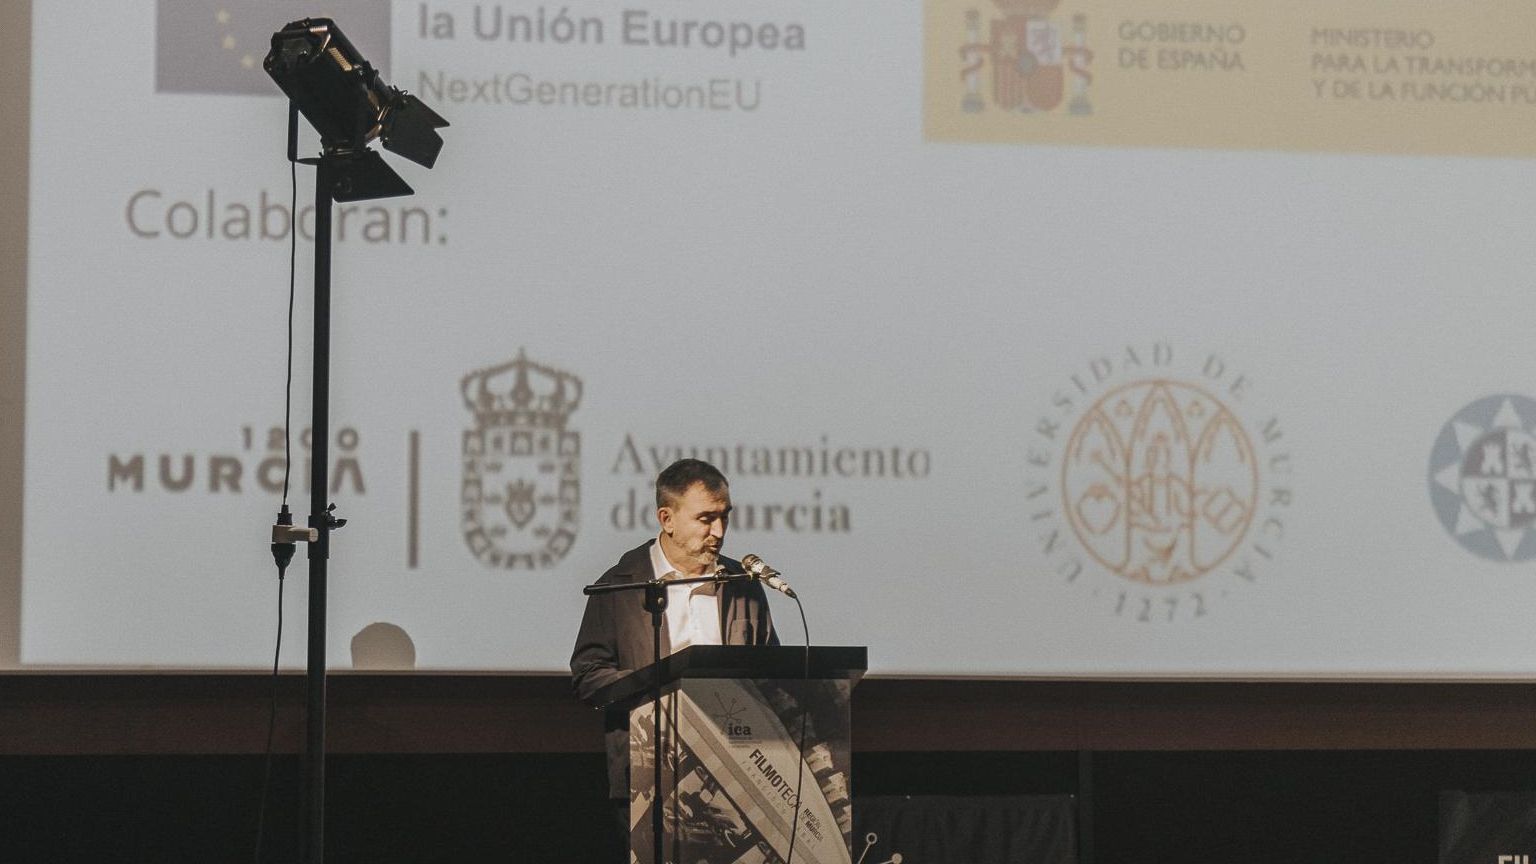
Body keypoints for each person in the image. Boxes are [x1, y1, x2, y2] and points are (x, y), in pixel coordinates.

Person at [570, 458, 778, 849]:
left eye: (724, 518)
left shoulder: (742, 585)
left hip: (737, 776)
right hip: (650, 779)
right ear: (667, 519)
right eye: (705, 519)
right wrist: (661, 682)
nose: (718, 532)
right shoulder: (619, 586)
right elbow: (588, 676)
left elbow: (773, 674)